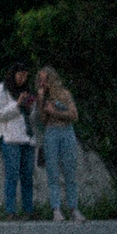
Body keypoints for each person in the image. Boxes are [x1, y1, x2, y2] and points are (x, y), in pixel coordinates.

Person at [33, 63, 82, 220]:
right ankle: (56, 209)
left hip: (66, 131)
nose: (42, 83)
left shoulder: (64, 95)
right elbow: (43, 119)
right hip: (51, 132)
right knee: (52, 172)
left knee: (69, 170)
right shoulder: (43, 97)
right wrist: (41, 101)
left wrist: (56, 112)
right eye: (40, 80)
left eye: (45, 80)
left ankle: (73, 208)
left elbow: (74, 115)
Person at [0, 66, 37, 218]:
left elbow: (32, 117)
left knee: (27, 176)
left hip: (27, 138)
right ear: (13, 74)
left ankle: (28, 210)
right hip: (10, 138)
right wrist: (17, 104)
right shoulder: (2, 90)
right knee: (12, 176)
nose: (22, 79)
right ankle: (10, 211)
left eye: (25, 76)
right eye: (20, 75)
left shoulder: (27, 90)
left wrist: (31, 107)